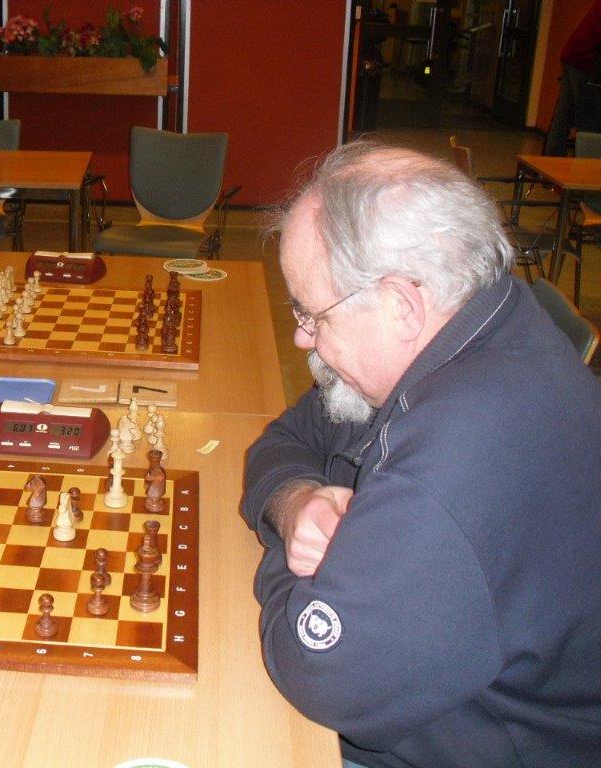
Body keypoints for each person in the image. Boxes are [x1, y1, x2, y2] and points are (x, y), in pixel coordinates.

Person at [241, 143, 601, 767]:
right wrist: (296, 504)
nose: (301, 337)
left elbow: (319, 675)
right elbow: (284, 439)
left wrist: (302, 575)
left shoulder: (455, 456)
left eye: (312, 313)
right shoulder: (479, 325)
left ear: (401, 304)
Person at [544, 0, 601, 155]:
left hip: (573, 55)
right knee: (590, 123)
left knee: (564, 116)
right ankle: (586, 167)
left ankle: (551, 162)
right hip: (586, 61)